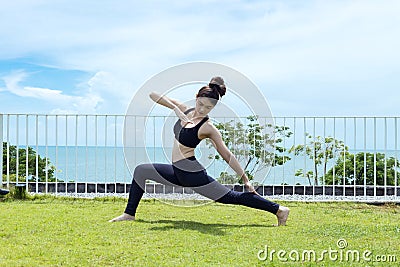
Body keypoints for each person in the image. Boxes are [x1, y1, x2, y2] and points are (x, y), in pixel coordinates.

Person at [109, 77, 290, 226]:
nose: (202, 109)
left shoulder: (208, 127)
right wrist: (175, 108)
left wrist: (245, 179)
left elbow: (227, 154)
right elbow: (152, 94)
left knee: (231, 197)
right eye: (201, 104)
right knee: (141, 170)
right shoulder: (184, 110)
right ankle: (129, 214)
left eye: (208, 107)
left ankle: (279, 210)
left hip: (192, 173)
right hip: (177, 171)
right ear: (196, 98)